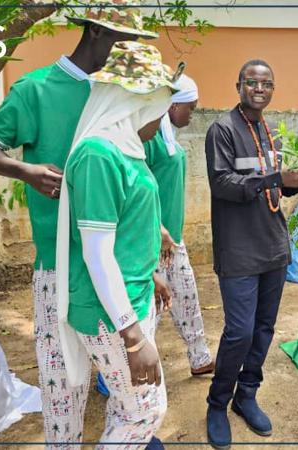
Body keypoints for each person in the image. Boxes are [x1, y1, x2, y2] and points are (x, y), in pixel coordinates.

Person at [0, 1, 155, 445]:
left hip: (114, 267)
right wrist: (26, 172)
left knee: (129, 383)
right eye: (123, 40)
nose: (128, 51)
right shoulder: (36, 90)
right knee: (62, 386)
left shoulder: (116, 93)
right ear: (95, 32)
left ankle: (135, 430)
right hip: (58, 264)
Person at [56, 40, 176, 448]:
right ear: (132, 103)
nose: (160, 124)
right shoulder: (98, 156)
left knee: (131, 407)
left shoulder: (125, 149)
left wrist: (151, 271)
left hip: (130, 296)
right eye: (158, 111)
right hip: (111, 312)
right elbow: (96, 252)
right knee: (145, 411)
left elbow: (127, 228)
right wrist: (134, 337)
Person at [203, 59, 298, 450]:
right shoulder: (222, 129)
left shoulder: (270, 132)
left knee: (264, 328)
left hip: (273, 248)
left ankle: (246, 395)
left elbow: (273, 189)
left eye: (267, 83)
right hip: (238, 251)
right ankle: (217, 403)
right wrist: (274, 178)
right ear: (239, 86)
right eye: (252, 82)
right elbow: (223, 184)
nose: (259, 88)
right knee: (239, 331)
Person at [144, 73, 215, 376]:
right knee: (150, 310)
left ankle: (199, 359)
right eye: (191, 107)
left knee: (187, 296)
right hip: (152, 239)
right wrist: (157, 230)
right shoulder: (149, 140)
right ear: (172, 106)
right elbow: (137, 191)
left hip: (173, 239)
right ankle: (114, 375)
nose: (192, 113)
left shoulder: (169, 139)